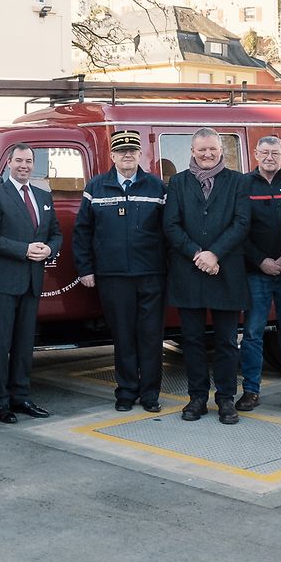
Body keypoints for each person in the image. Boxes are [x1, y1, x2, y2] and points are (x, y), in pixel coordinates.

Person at [73, 130, 167, 413]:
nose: (127, 155)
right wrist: (85, 269)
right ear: (112, 155)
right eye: (121, 151)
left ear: (140, 154)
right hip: (112, 276)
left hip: (151, 274)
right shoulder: (96, 187)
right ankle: (126, 392)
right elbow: (82, 231)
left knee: (151, 337)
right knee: (123, 336)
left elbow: (169, 231)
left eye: (132, 151)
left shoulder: (157, 187)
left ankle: (150, 394)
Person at [162, 128, 251, 425]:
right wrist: (198, 254)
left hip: (226, 271)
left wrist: (214, 254)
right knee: (192, 341)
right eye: (201, 149)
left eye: (212, 149)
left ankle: (225, 398)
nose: (207, 154)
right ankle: (197, 397)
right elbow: (171, 225)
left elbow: (242, 223)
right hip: (189, 272)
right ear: (192, 150)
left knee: (226, 342)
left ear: (221, 150)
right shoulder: (178, 182)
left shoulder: (238, 181)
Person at [0, 143, 63, 423]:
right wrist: (24, 250)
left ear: (33, 164)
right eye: (19, 161)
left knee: (25, 344)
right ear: (9, 163)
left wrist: (50, 248)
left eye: (28, 161)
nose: (24, 166)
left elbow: (56, 233)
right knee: (1, 345)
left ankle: (21, 397)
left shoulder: (43, 196)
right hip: (2, 282)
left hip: (31, 282)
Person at [237, 136, 281, 413]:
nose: (270, 157)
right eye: (265, 152)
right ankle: (251, 391)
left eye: (275, 153)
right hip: (256, 273)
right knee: (252, 334)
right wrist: (260, 260)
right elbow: (237, 228)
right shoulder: (242, 184)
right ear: (255, 154)